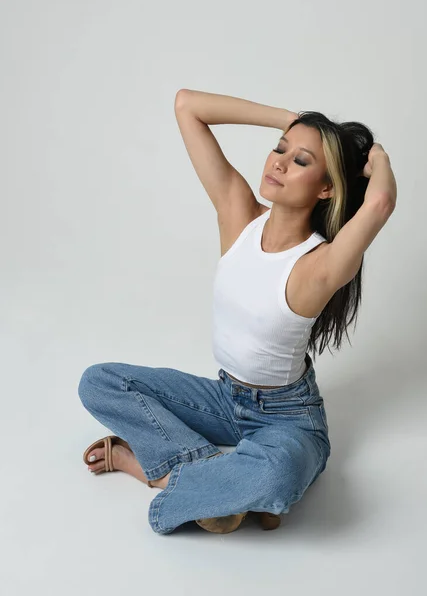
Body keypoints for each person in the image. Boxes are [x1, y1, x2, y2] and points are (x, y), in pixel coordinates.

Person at [78, 90, 397, 536]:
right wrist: (291, 118)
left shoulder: (320, 265)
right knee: (99, 382)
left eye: (301, 161)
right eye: (280, 149)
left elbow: (379, 203)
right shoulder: (238, 216)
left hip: (289, 418)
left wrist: (376, 156)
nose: (279, 163)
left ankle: (160, 474)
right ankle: (221, 486)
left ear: (327, 188)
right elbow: (188, 106)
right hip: (225, 400)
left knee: (276, 475)